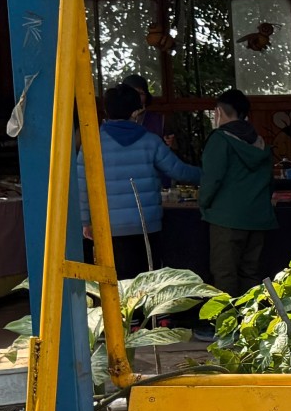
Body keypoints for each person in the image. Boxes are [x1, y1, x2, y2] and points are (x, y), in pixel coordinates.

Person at [74, 82, 199, 275]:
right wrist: (209, 174)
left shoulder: (92, 143)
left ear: (106, 110)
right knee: (148, 282)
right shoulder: (151, 141)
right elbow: (179, 171)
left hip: (108, 227)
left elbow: (82, 186)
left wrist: (85, 221)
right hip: (147, 226)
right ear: (135, 112)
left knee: (117, 283)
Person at [198, 87, 275, 298]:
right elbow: (270, 182)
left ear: (218, 112)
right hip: (258, 217)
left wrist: (203, 203)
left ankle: (228, 318)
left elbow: (212, 179)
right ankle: (250, 316)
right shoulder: (260, 142)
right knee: (250, 272)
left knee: (224, 273)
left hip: (226, 218)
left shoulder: (220, 140)